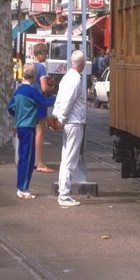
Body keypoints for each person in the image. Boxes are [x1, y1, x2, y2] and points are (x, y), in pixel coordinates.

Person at [7, 63, 57, 199]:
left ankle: (21, 187)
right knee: (28, 159)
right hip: (29, 126)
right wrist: (58, 96)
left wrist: (18, 114)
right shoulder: (32, 91)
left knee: (23, 157)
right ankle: (23, 188)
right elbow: (45, 102)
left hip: (20, 127)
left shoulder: (18, 90)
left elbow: (10, 107)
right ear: (34, 76)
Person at [51, 50, 87, 207]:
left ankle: (63, 192)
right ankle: (64, 195)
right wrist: (62, 119)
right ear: (83, 63)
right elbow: (68, 102)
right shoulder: (76, 80)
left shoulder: (66, 77)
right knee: (70, 160)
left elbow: (59, 99)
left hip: (68, 122)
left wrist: (56, 116)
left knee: (65, 158)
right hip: (73, 123)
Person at [32, 42, 55, 173]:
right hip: (40, 102)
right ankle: (40, 162)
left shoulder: (29, 66)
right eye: (45, 53)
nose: (46, 55)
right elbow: (44, 87)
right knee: (40, 133)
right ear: (40, 54)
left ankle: (33, 161)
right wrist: (52, 87)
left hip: (30, 102)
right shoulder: (41, 67)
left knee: (32, 132)